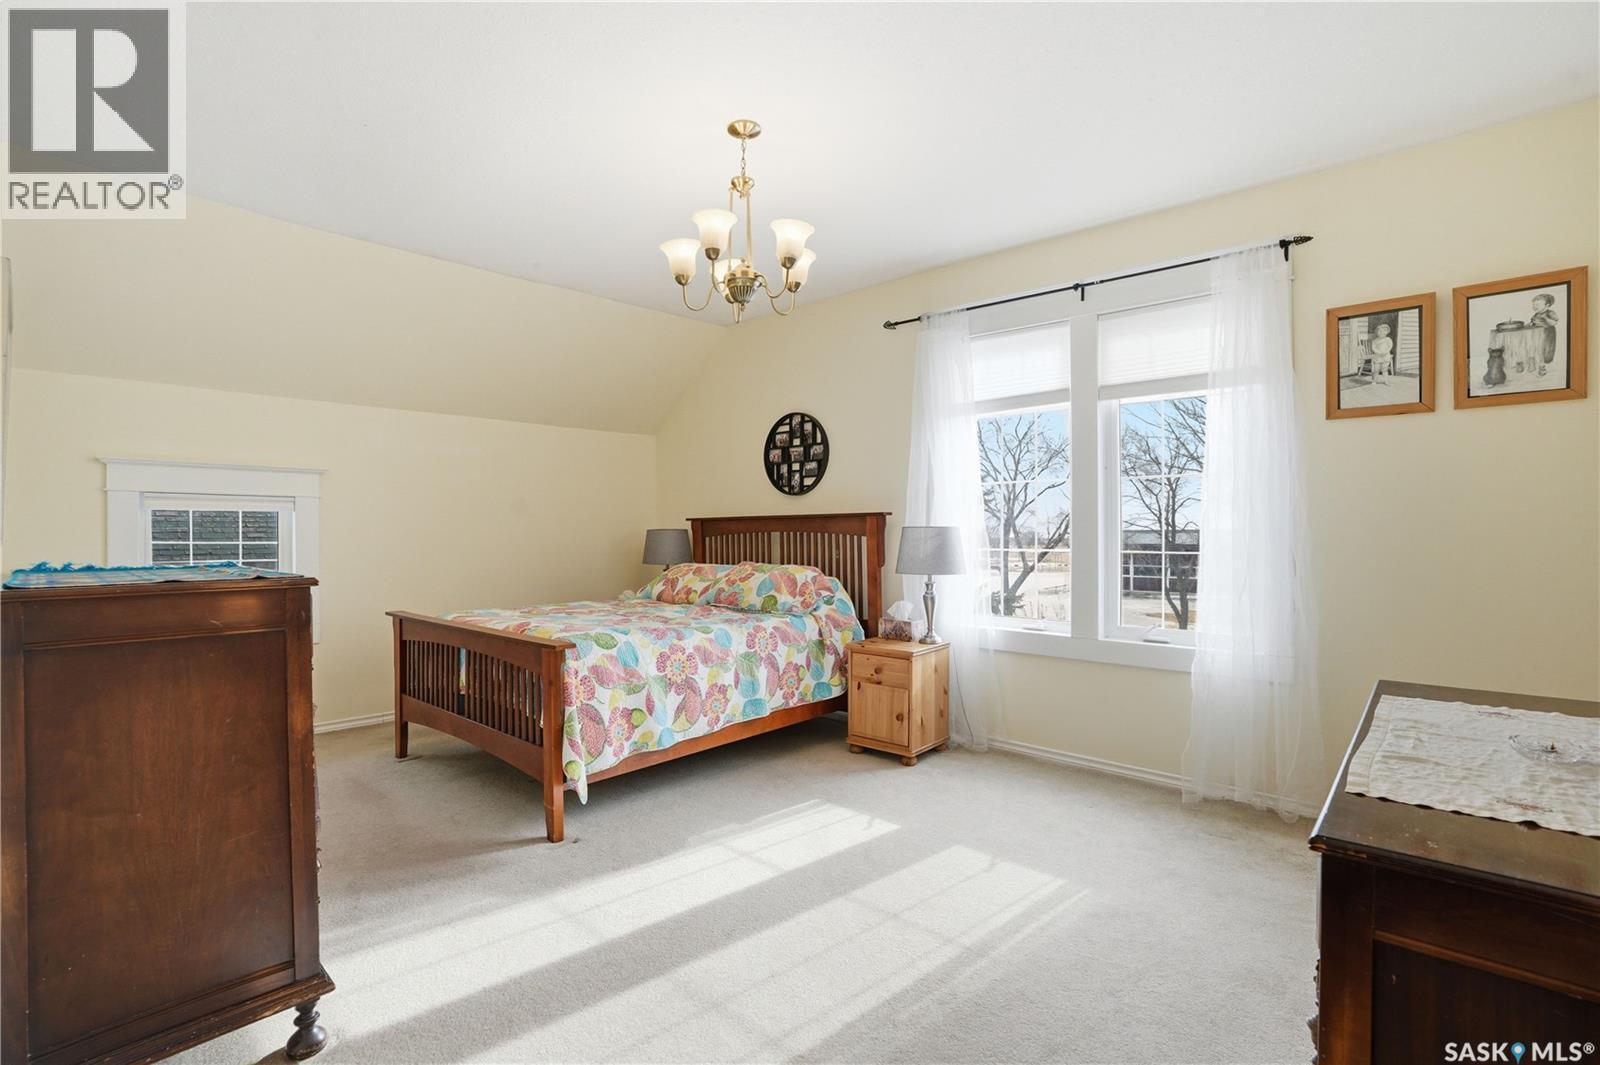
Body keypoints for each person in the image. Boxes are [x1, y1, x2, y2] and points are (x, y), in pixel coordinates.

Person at [1529, 293, 1559, 377]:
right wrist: (1530, 324)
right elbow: (1532, 323)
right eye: (1534, 305)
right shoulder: (1536, 314)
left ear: (1547, 305)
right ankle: (1533, 365)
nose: (1534, 307)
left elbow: (1554, 322)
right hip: (1537, 335)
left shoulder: (1550, 313)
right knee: (1535, 350)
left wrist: (1546, 318)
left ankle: (1542, 369)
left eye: (1537, 305)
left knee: (1544, 351)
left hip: (1547, 334)